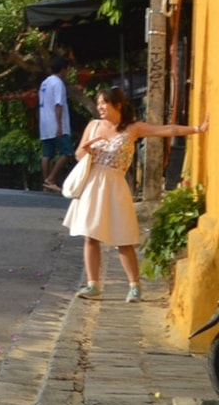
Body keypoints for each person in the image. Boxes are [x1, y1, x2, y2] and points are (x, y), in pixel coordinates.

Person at [64, 87, 206, 301]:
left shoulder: (133, 128)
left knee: (123, 238)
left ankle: (135, 286)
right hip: (93, 184)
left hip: (115, 185)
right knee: (90, 236)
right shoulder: (93, 126)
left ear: (118, 105)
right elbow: (78, 155)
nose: (100, 107)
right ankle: (93, 285)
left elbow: (166, 130)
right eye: (98, 102)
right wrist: (86, 149)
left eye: (104, 103)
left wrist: (197, 128)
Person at [39, 57, 74, 194]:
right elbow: (58, 104)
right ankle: (51, 179)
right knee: (67, 152)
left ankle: (46, 183)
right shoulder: (58, 83)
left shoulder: (44, 83)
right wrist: (59, 125)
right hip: (56, 123)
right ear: (63, 68)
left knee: (47, 154)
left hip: (45, 123)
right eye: (68, 68)